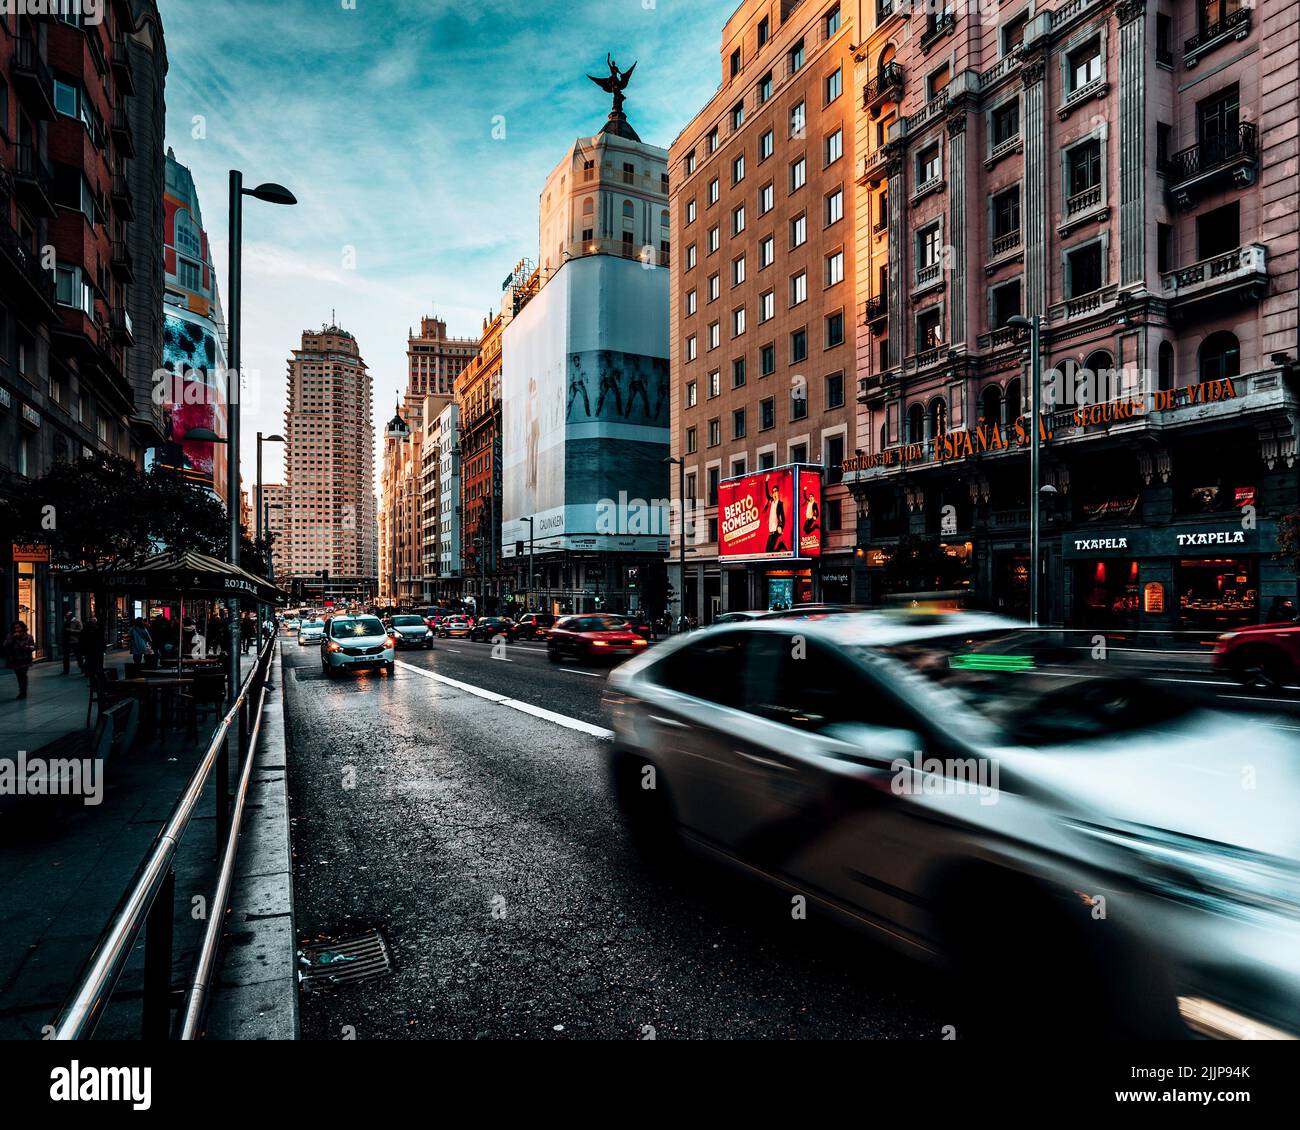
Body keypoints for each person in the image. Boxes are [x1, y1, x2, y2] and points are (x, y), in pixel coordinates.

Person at [3, 621, 37, 699]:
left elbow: (33, 646)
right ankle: (22, 690)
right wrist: (12, 637)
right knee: (19, 675)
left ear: (22, 627)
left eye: (18, 627)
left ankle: (23, 692)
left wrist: (28, 647)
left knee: (23, 675)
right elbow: (5, 645)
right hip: (15, 659)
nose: (17, 629)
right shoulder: (10, 636)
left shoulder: (28, 636)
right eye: (15, 628)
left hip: (25, 659)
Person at [61, 610, 79, 675]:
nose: (66, 616)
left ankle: (82, 667)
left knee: (78, 656)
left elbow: (80, 631)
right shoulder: (66, 622)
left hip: (74, 641)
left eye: (67, 615)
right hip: (66, 641)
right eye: (66, 615)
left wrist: (72, 630)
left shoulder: (77, 622)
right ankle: (66, 671)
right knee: (65, 657)